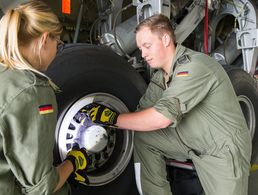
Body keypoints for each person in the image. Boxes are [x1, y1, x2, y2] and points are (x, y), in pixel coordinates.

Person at [85, 14, 252, 195]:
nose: (143, 54)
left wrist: (113, 118)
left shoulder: (195, 67)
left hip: (222, 150)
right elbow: (143, 113)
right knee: (144, 138)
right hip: (190, 139)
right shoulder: (161, 76)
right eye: (140, 48)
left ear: (165, 39)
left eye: (147, 46)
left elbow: (161, 118)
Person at [0, 1, 89, 195]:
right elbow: (41, 189)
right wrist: (74, 160)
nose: (57, 51)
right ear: (44, 40)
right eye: (58, 44)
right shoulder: (32, 92)